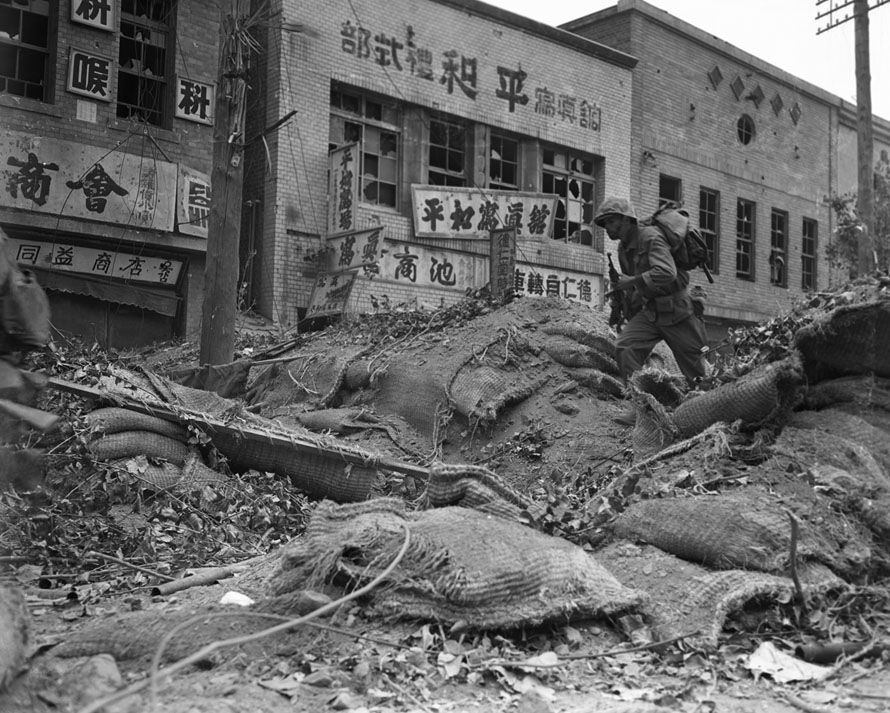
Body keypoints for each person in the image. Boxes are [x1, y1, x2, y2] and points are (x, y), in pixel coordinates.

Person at [593, 197, 707, 423]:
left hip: (677, 311)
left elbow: (667, 272)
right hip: (651, 312)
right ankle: (642, 410)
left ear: (627, 220)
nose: (608, 228)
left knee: (697, 374)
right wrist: (622, 304)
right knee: (625, 347)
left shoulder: (651, 237)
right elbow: (635, 286)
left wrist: (631, 281)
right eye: (604, 224)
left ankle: (707, 413)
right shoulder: (623, 249)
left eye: (611, 222)